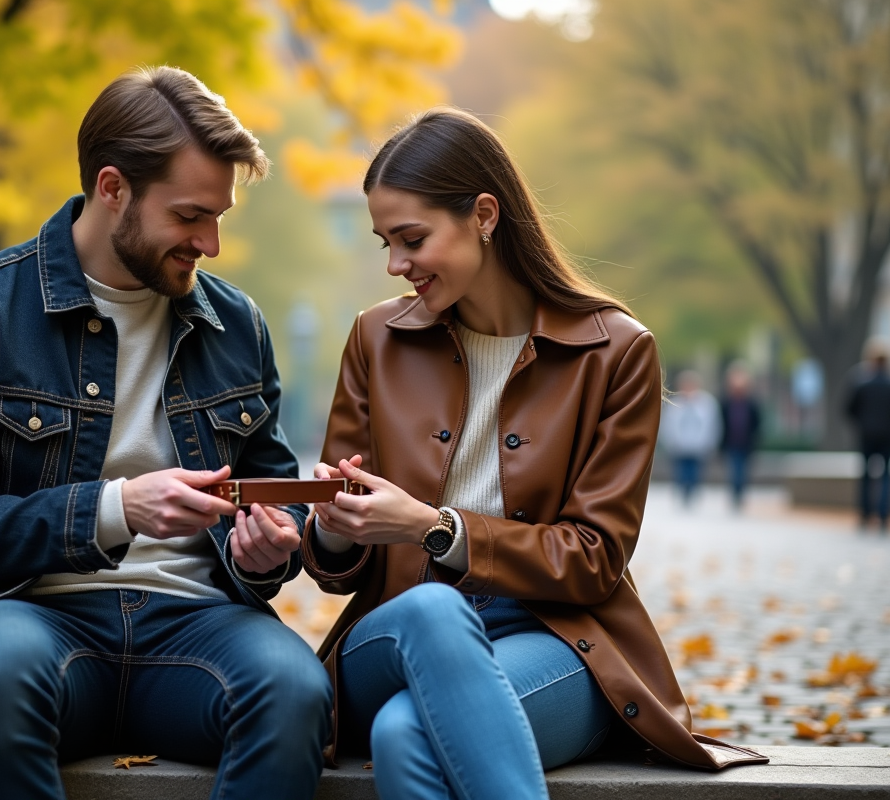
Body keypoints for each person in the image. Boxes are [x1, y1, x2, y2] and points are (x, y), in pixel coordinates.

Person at [0, 67, 331, 800]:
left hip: (199, 630)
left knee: (295, 688)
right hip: (32, 618)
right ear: (113, 187)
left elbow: (276, 494)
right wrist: (116, 508)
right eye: (191, 216)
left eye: (219, 217)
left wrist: (268, 546)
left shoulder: (237, 324)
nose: (211, 244)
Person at [301, 108, 765, 800]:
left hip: (558, 638)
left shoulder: (617, 351)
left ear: (484, 214)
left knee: (405, 735)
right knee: (433, 615)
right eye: (385, 245)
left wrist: (436, 527)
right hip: (400, 629)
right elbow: (340, 567)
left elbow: (594, 558)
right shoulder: (376, 338)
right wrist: (335, 532)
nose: (397, 265)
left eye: (412, 238)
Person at [845, 339, 890, 532]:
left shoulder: (861, 383)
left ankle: (865, 514)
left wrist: (862, 424)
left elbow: (849, 409)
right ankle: (883, 516)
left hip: (866, 435)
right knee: (887, 476)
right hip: (888, 436)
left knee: (866, 476)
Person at [660, 370, 721, 506]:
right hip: (679, 445)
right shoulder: (674, 403)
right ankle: (683, 492)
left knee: (695, 471)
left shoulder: (707, 403)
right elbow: (668, 424)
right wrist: (670, 441)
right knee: (681, 471)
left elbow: (712, 424)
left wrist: (710, 442)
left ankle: (692, 492)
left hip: (699, 445)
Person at [719, 362, 761, 510]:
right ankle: (735, 494)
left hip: (746, 443)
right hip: (731, 442)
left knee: (743, 471)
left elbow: (757, 424)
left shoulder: (751, 404)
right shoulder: (725, 403)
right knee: (735, 470)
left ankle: (740, 493)